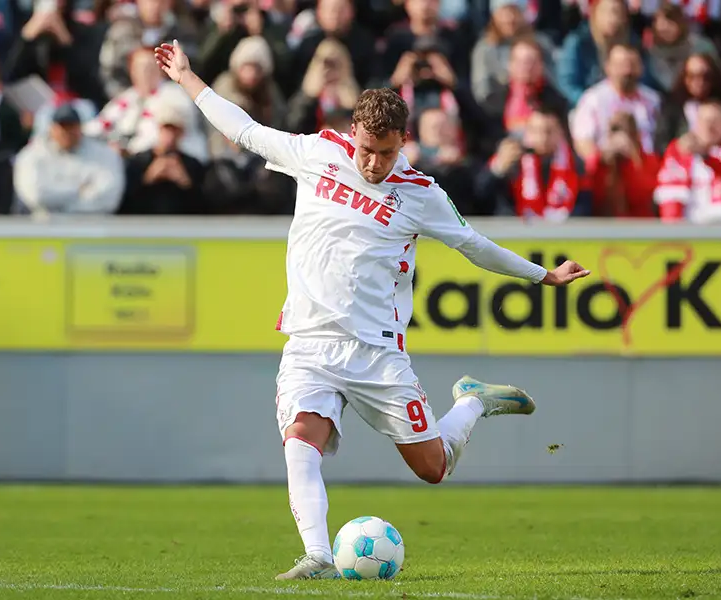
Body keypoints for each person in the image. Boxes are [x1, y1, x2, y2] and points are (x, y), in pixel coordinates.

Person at [154, 39, 590, 580]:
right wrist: (187, 79)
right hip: (310, 341)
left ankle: (473, 401)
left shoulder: (420, 192)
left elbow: (473, 245)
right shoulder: (317, 153)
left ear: (402, 141)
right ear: (352, 133)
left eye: (385, 152)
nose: (373, 162)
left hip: (376, 353)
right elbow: (242, 129)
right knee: (300, 440)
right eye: (365, 149)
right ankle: (316, 554)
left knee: (433, 468)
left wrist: (542, 274)